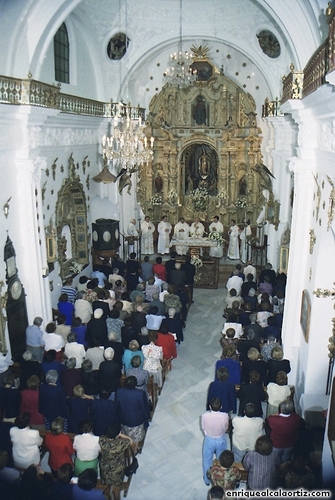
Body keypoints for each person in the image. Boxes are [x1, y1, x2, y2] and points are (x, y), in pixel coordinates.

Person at [115, 375, 150, 453]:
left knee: (126, 436)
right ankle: (134, 451)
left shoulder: (119, 391)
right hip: (137, 419)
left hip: (123, 418)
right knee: (136, 438)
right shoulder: (140, 393)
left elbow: (117, 406)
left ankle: (128, 451)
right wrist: (147, 416)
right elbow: (144, 406)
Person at [201, 397, 229, 486]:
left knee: (207, 460)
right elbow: (226, 428)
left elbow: (203, 428)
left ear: (210, 406)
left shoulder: (204, 416)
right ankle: (220, 477)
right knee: (221, 459)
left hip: (209, 439)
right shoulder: (225, 416)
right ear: (221, 407)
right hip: (221, 439)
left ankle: (207, 479)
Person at [267, 399, 305, 464]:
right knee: (286, 461)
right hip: (290, 444)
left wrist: (277, 414)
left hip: (276, 444)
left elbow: (269, 421)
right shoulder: (296, 418)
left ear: (281, 409)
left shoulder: (273, 419)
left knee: (274, 461)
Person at [99, 421, 132, 487]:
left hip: (104, 466)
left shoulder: (102, 439)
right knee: (117, 483)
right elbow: (130, 441)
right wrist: (121, 435)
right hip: (117, 469)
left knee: (105, 480)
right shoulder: (120, 444)